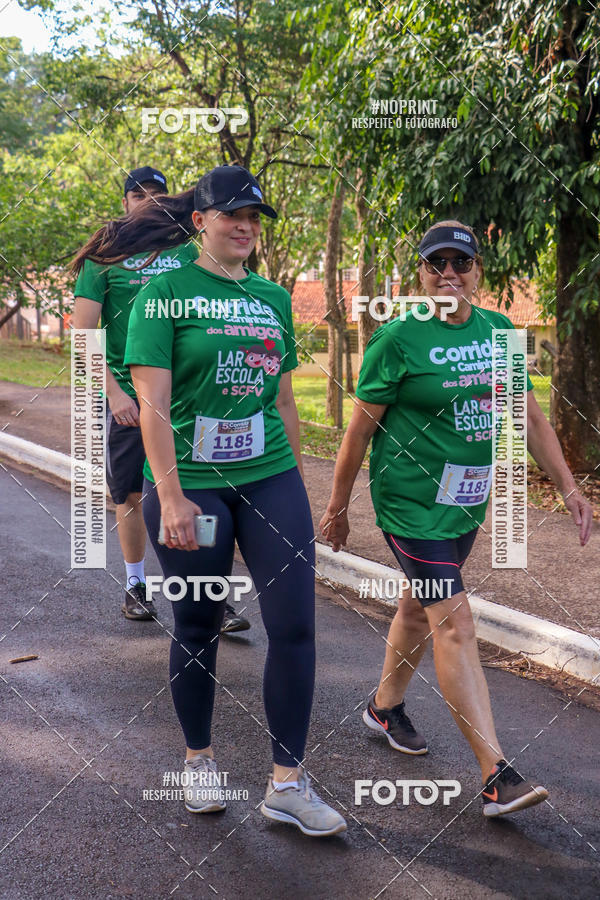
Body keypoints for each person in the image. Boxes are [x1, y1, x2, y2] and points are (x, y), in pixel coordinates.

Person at [73, 164, 347, 836]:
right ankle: (199, 761)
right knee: (197, 627)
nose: (245, 227)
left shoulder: (273, 298)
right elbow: (154, 403)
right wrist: (167, 495)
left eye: (254, 218)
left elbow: (283, 400)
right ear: (199, 221)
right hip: (192, 482)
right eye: (232, 215)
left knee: (295, 628)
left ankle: (287, 783)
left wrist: (301, 493)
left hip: (269, 474)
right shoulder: (163, 294)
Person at [320, 220, 593, 818]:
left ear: (477, 273)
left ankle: (384, 706)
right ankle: (497, 774)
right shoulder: (396, 339)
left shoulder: (500, 331)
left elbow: (529, 419)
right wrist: (338, 509)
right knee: (455, 622)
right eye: (436, 264)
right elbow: (358, 432)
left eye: (461, 264)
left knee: (419, 607)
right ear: (421, 273)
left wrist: (569, 486)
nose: (449, 275)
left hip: (465, 502)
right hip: (410, 505)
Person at [72, 165, 250, 634]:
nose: (148, 200)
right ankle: (136, 583)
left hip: (192, 398)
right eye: (138, 194)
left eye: (158, 193)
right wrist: (112, 395)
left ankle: (210, 590)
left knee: (202, 491)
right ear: (125, 202)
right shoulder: (105, 256)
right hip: (130, 399)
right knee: (130, 493)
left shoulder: (185, 247)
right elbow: (83, 335)